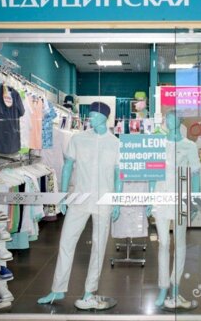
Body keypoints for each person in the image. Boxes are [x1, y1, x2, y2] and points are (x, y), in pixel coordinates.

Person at [37, 102, 121, 310]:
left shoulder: (116, 143)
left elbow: (119, 174)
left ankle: (89, 291)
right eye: (90, 114)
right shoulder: (78, 139)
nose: (90, 118)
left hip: (104, 200)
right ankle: (57, 288)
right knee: (66, 241)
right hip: (79, 198)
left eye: (94, 115)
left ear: (105, 117)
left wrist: (117, 201)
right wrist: (64, 195)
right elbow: (67, 166)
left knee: (99, 246)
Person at [149, 110, 200, 309]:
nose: (168, 121)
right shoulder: (158, 144)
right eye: (167, 118)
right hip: (160, 199)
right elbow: (152, 173)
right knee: (163, 243)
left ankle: (176, 287)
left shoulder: (189, 146)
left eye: (172, 118)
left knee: (180, 244)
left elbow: (195, 174)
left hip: (181, 199)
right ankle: (163, 287)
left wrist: (195, 201)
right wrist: (150, 199)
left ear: (180, 121)